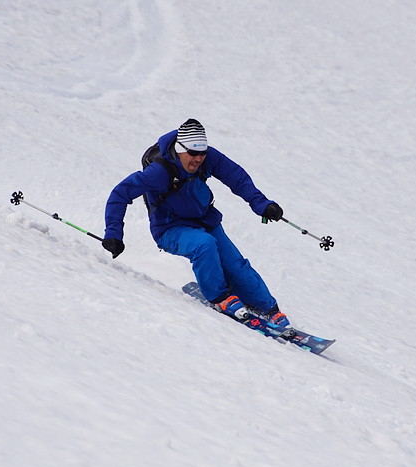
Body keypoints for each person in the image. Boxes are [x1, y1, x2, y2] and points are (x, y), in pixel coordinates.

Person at [102, 118, 290, 328]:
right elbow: (120, 194)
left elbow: (236, 177)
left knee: (236, 266)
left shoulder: (207, 157)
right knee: (204, 245)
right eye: (193, 153)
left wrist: (262, 204)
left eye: (202, 153)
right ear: (180, 149)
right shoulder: (159, 173)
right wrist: (113, 234)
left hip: (205, 220)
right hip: (170, 229)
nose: (199, 159)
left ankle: (268, 309)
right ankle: (220, 298)